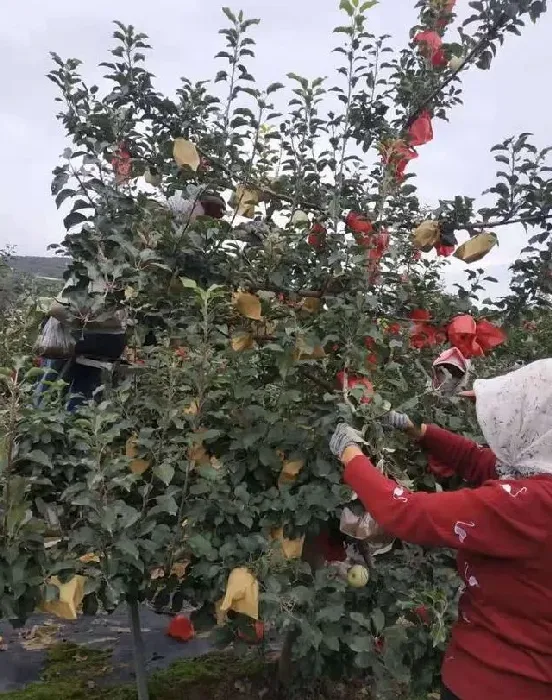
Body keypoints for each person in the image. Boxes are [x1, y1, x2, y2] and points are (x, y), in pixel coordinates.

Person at [329, 359, 552, 700]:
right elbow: (478, 460)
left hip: (499, 682)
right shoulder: (536, 480)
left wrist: (351, 457)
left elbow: (406, 512)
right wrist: (417, 430)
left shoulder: (529, 504)